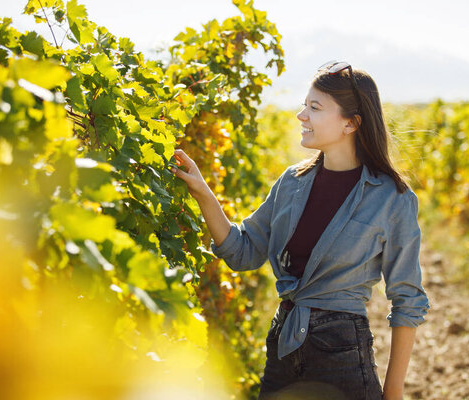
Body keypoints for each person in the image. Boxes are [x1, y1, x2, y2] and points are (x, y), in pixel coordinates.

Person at [170, 60, 430, 400]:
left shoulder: (392, 199)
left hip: (343, 357)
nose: (301, 115)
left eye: (315, 107)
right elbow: (242, 252)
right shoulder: (291, 182)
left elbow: (407, 300)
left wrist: (394, 391)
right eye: (304, 105)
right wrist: (202, 192)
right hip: (282, 350)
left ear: (351, 123)